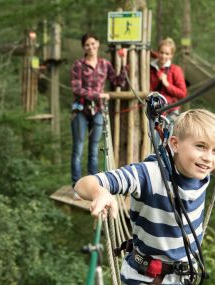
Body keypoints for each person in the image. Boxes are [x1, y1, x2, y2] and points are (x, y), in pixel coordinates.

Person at [75, 108, 215, 285]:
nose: (208, 158)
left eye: (214, 150)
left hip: (184, 276)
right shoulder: (149, 174)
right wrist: (100, 192)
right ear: (175, 144)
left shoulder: (202, 171)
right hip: (144, 278)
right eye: (200, 146)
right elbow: (83, 184)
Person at [70, 33, 127, 199]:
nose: (91, 47)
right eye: (87, 45)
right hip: (80, 110)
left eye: (93, 43)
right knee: (78, 150)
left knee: (94, 151)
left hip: (98, 111)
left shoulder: (105, 64)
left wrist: (123, 63)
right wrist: (98, 95)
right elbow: (76, 89)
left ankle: (92, 188)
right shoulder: (78, 65)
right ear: (83, 47)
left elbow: (118, 82)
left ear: (98, 44)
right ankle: (76, 188)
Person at [150, 37, 187, 124]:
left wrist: (167, 84)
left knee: (169, 137)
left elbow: (183, 94)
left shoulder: (175, 70)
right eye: (161, 52)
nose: (163, 56)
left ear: (171, 55)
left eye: (167, 54)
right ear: (157, 52)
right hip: (153, 111)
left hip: (171, 113)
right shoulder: (150, 69)